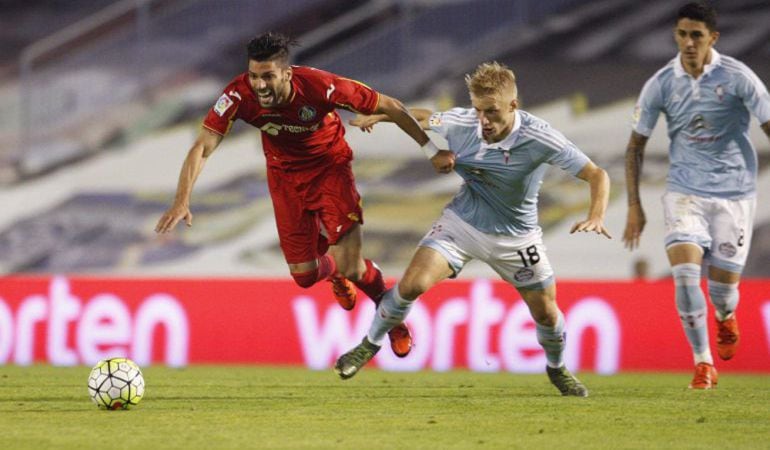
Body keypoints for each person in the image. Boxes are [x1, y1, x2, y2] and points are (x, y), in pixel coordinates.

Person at [155, 32, 451, 357]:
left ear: (286, 72)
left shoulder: (319, 86)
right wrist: (182, 199)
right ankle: (335, 270)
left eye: (268, 76)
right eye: (254, 76)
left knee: (351, 266)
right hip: (284, 177)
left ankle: (393, 319)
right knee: (305, 276)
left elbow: (391, 106)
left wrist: (430, 149)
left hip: (330, 170)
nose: (260, 85)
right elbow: (202, 145)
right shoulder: (238, 94)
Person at [335, 62, 611, 397]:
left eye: (492, 111)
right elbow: (420, 116)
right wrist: (380, 116)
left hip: (517, 238)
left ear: (513, 106)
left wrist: (596, 215)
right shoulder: (463, 122)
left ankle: (557, 368)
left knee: (547, 315)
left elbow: (597, 174)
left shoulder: (540, 137)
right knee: (412, 284)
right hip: (463, 223)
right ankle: (369, 344)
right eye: (479, 110)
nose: (483, 120)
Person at [623, 3, 770, 389]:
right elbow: (635, 145)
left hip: (735, 194)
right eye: (682, 34)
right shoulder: (660, 83)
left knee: (723, 293)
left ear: (712, 39)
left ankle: (725, 315)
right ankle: (703, 362)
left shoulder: (739, 78)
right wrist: (635, 206)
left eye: (696, 36)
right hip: (685, 191)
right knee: (686, 277)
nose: (688, 43)